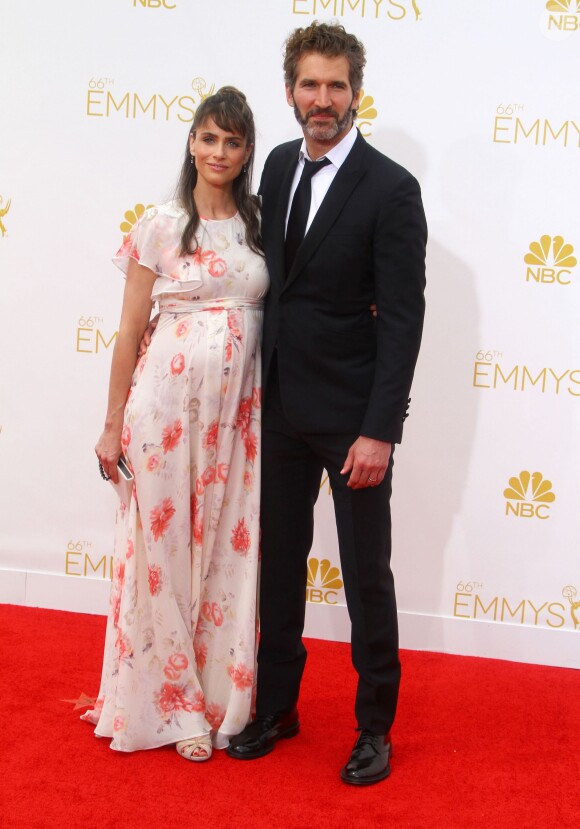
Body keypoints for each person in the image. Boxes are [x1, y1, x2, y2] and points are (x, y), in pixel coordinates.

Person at [226, 22, 427, 786]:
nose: (322, 99)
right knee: (278, 568)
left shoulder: (390, 188)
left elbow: (403, 320)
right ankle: (278, 705)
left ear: (356, 94)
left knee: (365, 575)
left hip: (352, 423)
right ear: (290, 92)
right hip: (279, 409)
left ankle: (375, 724)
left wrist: (381, 430)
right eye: (309, 85)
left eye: (336, 85)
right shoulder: (276, 166)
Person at [84, 87, 268, 762]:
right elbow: (130, 330)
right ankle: (173, 705)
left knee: (224, 553)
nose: (219, 152)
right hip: (161, 411)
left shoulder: (259, 223)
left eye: (234, 141)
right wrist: (111, 426)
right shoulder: (159, 225)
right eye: (209, 137)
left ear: (246, 152)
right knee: (160, 557)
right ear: (192, 142)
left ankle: (221, 696)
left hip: (236, 420)